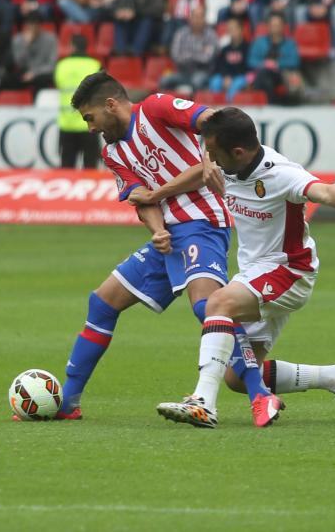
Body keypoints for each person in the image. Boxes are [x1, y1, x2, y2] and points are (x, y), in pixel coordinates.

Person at [46, 71, 291, 427]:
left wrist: (208, 156)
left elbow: (210, 120)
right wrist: (158, 230)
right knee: (102, 302)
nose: (90, 128)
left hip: (203, 224)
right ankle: (68, 402)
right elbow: (139, 197)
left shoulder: (158, 108)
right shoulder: (113, 152)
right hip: (171, 234)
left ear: (111, 105)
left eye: (90, 117)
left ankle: (259, 394)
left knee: (209, 308)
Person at [152, 107, 335, 428]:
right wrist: (160, 194)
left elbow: (321, 190)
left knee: (218, 303)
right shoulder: (227, 162)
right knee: (237, 377)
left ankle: (202, 404)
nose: (209, 160)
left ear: (238, 152)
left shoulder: (280, 174)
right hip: (254, 274)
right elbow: (203, 171)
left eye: (213, 154)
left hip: (289, 272)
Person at [54, 34, 101, 168]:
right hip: (89, 125)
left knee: (67, 169)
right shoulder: (95, 65)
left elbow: (59, 83)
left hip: (66, 125)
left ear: (72, 47)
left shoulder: (61, 65)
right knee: (91, 170)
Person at [247, 11, 303, 105]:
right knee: (264, 75)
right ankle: (273, 104)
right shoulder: (259, 42)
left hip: (283, 73)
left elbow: (295, 61)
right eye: (272, 25)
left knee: (295, 80)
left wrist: (277, 64)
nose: (275, 27)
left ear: (283, 26)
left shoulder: (290, 43)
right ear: (268, 26)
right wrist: (264, 64)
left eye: (278, 25)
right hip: (263, 73)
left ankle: (285, 103)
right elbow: (251, 61)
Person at [159, 6, 217, 95]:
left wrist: (188, 55)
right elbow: (175, 56)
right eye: (195, 17)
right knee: (164, 80)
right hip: (182, 72)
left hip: (202, 72)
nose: (197, 20)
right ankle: (168, 106)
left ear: (204, 19)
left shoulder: (211, 35)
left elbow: (207, 58)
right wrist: (198, 54)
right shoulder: (181, 33)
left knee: (197, 81)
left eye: (200, 17)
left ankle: (195, 107)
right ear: (190, 18)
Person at [10, 11, 57, 94]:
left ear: (40, 25)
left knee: (43, 79)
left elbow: (51, 65)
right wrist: (26, 45)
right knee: (11, 79)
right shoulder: (18, 40)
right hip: (24, 71)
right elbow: (18, 63)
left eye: (36, 24)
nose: (33, 27)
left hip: (42, 73)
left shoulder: (51, 39)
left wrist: (34, 73)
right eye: (30, 24)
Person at [208, 17, 249, 102]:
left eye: (234, 28)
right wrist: (225, 76)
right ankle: (216, 106)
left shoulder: (247, 48)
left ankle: (229, 107)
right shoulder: (225, 49)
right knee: (215, 81)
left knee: (236, 84)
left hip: (241, 76)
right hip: (226, 76)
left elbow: (247, 67)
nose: (232, 31)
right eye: (230, 29)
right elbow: (220, 66)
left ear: (241, 29)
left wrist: (232, 77)